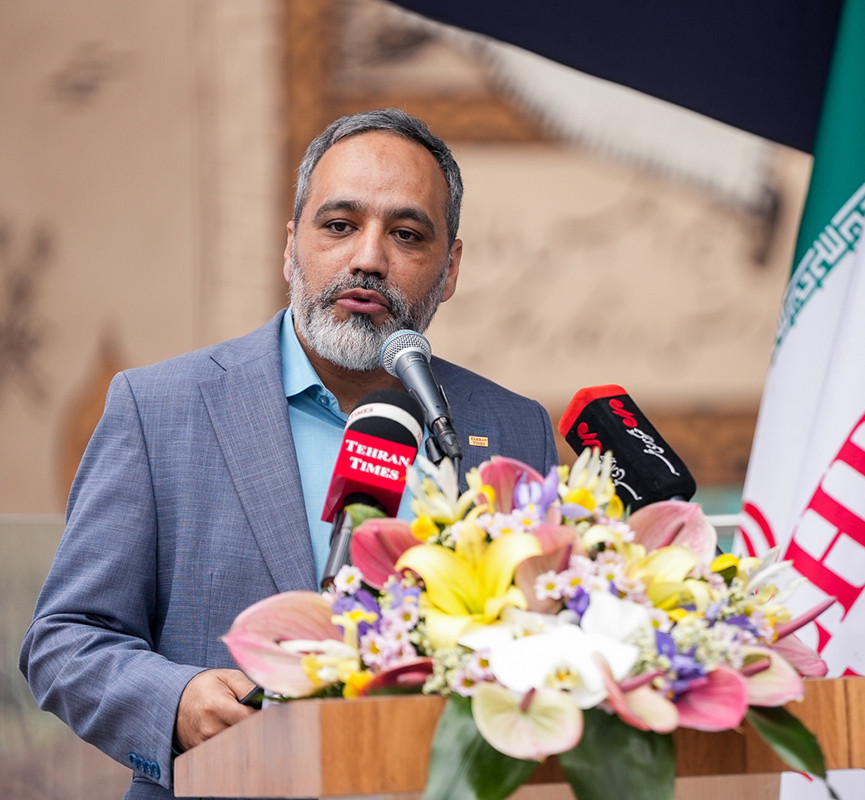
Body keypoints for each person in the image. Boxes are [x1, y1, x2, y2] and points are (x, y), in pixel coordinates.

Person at [20, 108, 558, 800]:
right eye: (339, 225)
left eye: (406, 234)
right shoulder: (160, 410)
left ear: (449, 268)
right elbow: (65, 639)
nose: (368, 258)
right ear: (290, 247)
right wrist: (175, 700)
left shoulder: (509, 428)